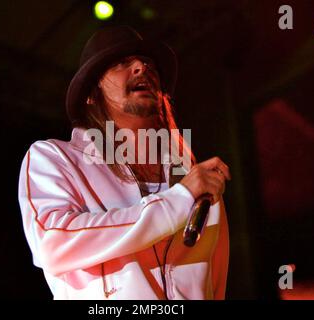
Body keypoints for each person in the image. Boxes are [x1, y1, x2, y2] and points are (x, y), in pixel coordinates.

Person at [18, 26, 231, 300]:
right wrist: (177, 200)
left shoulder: (193, 178)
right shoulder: (56, 159)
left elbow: (214, 282)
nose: (142, 67)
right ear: (90, 94)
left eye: (148, 63)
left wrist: (185, 192)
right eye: (121, 63)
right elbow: (52, 243)